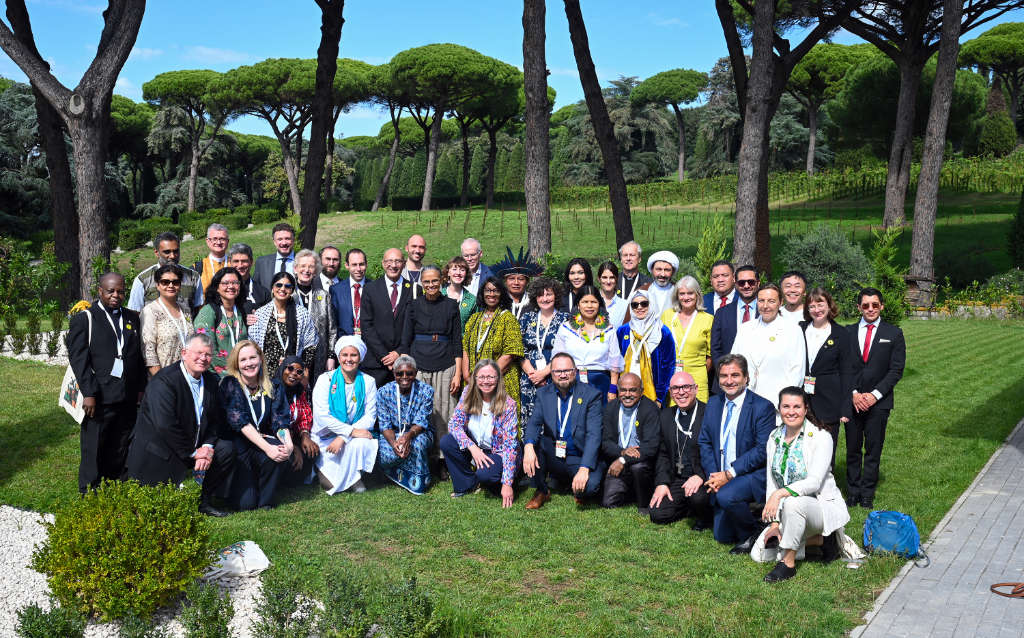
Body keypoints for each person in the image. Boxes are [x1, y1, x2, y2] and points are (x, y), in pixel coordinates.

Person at [123, 334, 234, 517]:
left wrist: (206, 447)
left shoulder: (212, 381)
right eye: (198, 353)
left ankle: (203, 501)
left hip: (194, 444)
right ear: (184, 353)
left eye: (207, 355)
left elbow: (216, 420)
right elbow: (165, 425)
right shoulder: (164, 381)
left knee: (226, 449)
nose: (203, 358)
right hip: (160, 449)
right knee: (157, 511)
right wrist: (193, 452)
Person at [66, 272, 146, 493]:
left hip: (126, 395)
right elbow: (79, 360)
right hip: (99, 396)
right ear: (100, 291)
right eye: (110, 291)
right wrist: (89, 393)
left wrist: (139, 388)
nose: (116, 295)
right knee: (95, 444)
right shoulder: (85, 319)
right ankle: (89, 489)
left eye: (120, 291)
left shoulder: (132, 318)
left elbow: (136, 356)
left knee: (121, 441)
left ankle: (115, 482)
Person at [759, 387, 848, 583]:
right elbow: (771, 480)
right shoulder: (774, 437)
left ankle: (788, 563)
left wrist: (780, 494)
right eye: (786, 406)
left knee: (793, 503)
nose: (791, 411)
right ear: (779, 409)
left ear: (806, 409)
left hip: (819, 508)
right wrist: (774, 524)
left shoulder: (821, 436)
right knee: (759, 554)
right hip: (786, 512)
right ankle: (822, 541)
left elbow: (814, 482)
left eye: (797, 406)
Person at [697, 354, 776, 552]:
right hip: (721, 474)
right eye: (724, 376)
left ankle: (752, 535)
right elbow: (705, 441)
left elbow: (762, 449)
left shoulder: (762, 407)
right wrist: (714, 475)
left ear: (746, 377)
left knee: (726, 497)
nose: (729, 381)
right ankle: (754, 515)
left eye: (735, 375)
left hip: (751, 474)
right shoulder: (714, 403)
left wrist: (730, 474)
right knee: (722, 535)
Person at [843, 287, 906, 509]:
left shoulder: (894, 334)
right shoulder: (847, 333)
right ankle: (852, 491)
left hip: (879, 402)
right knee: (852, 448)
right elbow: (844, 366)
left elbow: (896, 370)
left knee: (873, 448)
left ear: (882, 307)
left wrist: (874, 395)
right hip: (852, 401)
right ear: (859, 307)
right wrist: (853, 394)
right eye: (866, 305)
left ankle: (867, 492)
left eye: (875, 305)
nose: (870, 309)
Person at [522, 352, 605, 509]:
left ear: (575, 371)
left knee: (591, 487)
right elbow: (534, 424)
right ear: (551, 373)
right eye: (558, 371)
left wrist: (584, 468)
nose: (563, 375)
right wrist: (528, 447)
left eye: (567, 370)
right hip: (555, 454)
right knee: (534, 445)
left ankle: (577, 489)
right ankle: (542, 491)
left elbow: (594, 435)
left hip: (578, 456)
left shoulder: (592, 396)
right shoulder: (543, 394)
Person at [220, 340, 292, 511]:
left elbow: (279, 419)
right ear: (236, 364)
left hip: (261, 441)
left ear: (260, 358)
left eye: (253, 357)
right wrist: (268, 448)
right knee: (247, 504)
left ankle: (266, 500)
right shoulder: (230, 384)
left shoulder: (273, 385)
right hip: (239, 446)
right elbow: (240, 422)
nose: (249, 363)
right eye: (243, 359)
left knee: (279, 448)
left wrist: (288, 444)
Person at [400, 265, 462, 463]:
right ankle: (422, 456)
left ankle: (444, 458)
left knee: (445, 411)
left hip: (445, 363)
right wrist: (405, 370)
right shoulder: (414, 305)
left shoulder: (451, 305)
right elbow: (406, 339)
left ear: (441, 281)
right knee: (420, 412)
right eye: (426, 281)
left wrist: (458, 373)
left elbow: (457, 342)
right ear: (422, 283)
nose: (431, 284)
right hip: (419, 363)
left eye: (434, 280)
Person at [441, 359, 519, 507]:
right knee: (447, 442)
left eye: (491, 377)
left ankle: (502, 481)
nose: (486, 381)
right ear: (475, 379)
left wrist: (507, 484)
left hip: (498, 451)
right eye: (481, 377)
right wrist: (472, 447)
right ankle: (467, 484)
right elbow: (454, 424)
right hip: (476, 447)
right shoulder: (467, 394)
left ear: (498, 379)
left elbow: (510, 447)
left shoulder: (508, 405)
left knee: (485, 474)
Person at [311, 336, 379, 494]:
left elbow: (370, 416)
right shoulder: (325, 380)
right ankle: (334, 472)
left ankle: (356, 479)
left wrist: (344, 437)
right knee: (329, 485)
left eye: (353, 355)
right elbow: (322, 417)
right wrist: (351, 432)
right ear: (338, 357)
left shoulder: (368, 382)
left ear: (360, 357)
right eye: (345, 355)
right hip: (326, 438)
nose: (349, 359)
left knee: (362, 443)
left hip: (350, 438)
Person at [649, 371, 713, 529]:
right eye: (676, 388)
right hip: (677, 478)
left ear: (696, 388)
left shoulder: (709, 413)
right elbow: (662, 453)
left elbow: (715, 452)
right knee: (658, 513)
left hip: (701, 477)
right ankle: (688, 506)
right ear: (670, 392)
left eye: (686, 387)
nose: (681, 392)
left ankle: (703, 513)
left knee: (698, 498)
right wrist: (662, 483)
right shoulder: (665, 416)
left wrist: (701, 475)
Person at [731, 283, 806, 410]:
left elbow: (797, 371)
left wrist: (785, 403)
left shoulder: (792, 330)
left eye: (771, 301)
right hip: (746, 401)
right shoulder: (745, 329)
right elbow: (734, 363)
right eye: (761, 301)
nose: (765, 306)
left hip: (776, 403)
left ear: (780, 302)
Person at [799, 287, 852, 465]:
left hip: (829, 401)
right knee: (803, 450)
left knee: (826, 449)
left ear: (829, 306)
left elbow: (847, 372)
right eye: (811, 306)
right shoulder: (800, 329)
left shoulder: (841, 334)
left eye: (820, 304)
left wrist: (845, 407)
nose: (816, 309)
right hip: (802, 400)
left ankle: (826, 489)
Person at [462, 276, 525, 417]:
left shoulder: (507, 318)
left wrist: (487, 377)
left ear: (501, 294)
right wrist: (467, 375)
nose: (491, 294)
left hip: (500, 379)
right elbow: (465, 347)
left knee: (499, 423)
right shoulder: (474, 319)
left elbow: (511, 352)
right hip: (473, 380)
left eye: (495, 291)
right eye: (488, 290)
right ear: (482, 293)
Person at [600, 373, 660, 513]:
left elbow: (651, 447)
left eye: (633, 390)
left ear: (641, 391)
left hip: (641, 461)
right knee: (608, 502)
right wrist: (621, 453)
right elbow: (606, 442)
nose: (627, 394)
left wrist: (623, 459)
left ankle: (644, 503)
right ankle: (630, 492)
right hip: (619, 459)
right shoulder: (610, 408)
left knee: (638, 468)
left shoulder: (650, 409)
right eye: (623, 390)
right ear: (618, 391)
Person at [553, 285, 622, 404]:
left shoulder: (608, 329)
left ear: (599, 304)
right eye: (585, 302)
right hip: (571, 382)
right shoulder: (566, 328)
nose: (589, 306)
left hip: (600, 383)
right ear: (578, 305)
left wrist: (612, 389)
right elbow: (557, 359)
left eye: (593, 302)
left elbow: (615, 362)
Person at [376, 355, 435, 494]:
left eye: (409, 373)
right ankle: (391, 472)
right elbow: (384, 424)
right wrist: (393, 443)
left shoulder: (426, 391)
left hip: (418, 432)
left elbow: (421, 422)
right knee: (385, 454)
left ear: (415, 373)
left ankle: (415, 481)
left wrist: (408, 437)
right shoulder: (383, 392)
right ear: (394, 374)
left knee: (417, 444)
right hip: (392, 433)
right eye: (399, 373)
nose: (404, 377)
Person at [360, 248, 416, 386]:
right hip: (376, 362)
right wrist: (384, 356)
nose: (394, 265)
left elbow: (414, 326)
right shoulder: (370, 289)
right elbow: (366, 326)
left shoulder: (414, 289)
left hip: (403, 363)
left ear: (404, 264)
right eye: (389, 261)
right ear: (383, 264)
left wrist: (399, 352)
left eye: (398, 261)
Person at [248, 271, 318, 380]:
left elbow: (311, 345)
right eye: (279, 285)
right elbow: (253, 345)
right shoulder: (261, 314)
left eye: (287, 286)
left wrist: (300, 366)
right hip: (266, 374)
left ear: (292, 290)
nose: (282, 289)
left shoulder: (301, 314)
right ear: (272, 288)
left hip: (292, 374)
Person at [519, 277, 569, 424]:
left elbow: (567, 350)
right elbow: (519, 348)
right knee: (530, 419)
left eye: (549, 294)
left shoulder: (565, 319)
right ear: (535, 297)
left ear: (556, 296)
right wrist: (532, 374)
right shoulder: (526, 318)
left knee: (553, 419)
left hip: (555, 376)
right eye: (541, 295)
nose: (545, 298)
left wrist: (544, 373)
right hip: (529, 378)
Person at [617, 289, 675, 406]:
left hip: (653, 394)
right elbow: (615, 362)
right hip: (626, 393)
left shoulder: (662, 331)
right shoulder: (623, 331)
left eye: (644, 303)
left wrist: (659, 398)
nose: (639, 307)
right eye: (634, 305)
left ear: (651, 304)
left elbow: (668, 366)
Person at [662, 276, 714, 403]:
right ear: (677, 296)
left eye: (690, 293)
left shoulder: (707, 319)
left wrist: (698, 372)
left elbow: (710, 356)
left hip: (697, 378)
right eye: (682, 294)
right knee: (673, 415)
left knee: (698, 416)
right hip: (672, 377)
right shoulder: (667, 316)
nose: (686, 297)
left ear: (697, 295)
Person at [710, 264, 759, 393]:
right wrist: (725, 374)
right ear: (736, 284)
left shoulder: (766, 312)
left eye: (751, 282)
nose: (747, 286)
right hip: (728, 382)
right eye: (742, 282)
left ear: (758, 283)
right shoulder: (722, 313)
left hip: (759, 381)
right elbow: (716, 348)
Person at [141, 264, 195, 375]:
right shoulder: (150, 311)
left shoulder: (185, 310)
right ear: (157, 285)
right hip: (164, 377)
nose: (171, 285)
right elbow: (148, 351)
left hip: (188, 374)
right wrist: (161, 381)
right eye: (165, 282)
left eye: (175, 282)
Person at [193, 267, 248, 376]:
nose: (231, 286)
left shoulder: (241, 311)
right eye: (225, 283)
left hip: (242, 373)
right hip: (217, 377)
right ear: (217, 287)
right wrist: (232, 373)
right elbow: (206, 350)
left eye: (235, 283)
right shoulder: (208, 312)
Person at [127, 231, 201, 312]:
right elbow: (134, 312)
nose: (172, 256)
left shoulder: (193, 277)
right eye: (167, 252)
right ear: (156, 253)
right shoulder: (142, 280)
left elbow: (199, 310)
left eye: (176, 251)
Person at [293, 249, 337, 379]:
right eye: (303, 266)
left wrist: (331, 356)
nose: (306, 270)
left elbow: (332, 330)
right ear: (296, 269)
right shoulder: (289, 295)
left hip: (319, 357)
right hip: (295, 355)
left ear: (316, 271)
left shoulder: (323, 296)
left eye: (311, 266)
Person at [275, 355, 317, 485]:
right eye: (290, 368)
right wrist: (294, 447)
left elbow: (305, 415)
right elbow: (273, 424)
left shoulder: (299, 391)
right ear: (282, 369)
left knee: (312, 449)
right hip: (276, 437)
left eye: (299, 372)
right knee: (290, 457)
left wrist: (305, 435)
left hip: (294, 436)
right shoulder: (272, 390)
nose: (294, 374)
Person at [493, 246, 544, 320]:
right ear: (505, 281)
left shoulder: (535, 303)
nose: (516, 283)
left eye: (520, 279)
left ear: (527, 282)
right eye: (511, 278)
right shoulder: (497, 302)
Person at [329, 248, 369, 337]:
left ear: (366, 264)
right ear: (347, 265)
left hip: (369, 342)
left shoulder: (374, 288)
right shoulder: (336, 290)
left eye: (361, 264)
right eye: (354, 265)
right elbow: (333, 322)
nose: (358, 269)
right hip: (344, 342)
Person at [228, 243, 270, 324]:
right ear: (230, 262)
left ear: (251, 262)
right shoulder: (222, 290)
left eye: (244, 261)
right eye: (236, 261)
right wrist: (242, 320)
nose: (240, 265)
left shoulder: (263, 292)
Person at [252, 222, 296, 288]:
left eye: (287, 239)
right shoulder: (262, 263)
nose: (284, 243)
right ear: (274, 242)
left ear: (293, 240)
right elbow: (255, 288)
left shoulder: (303, 261)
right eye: (280, 239)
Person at [193, 223, 229, 298]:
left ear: (227, 242)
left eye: (222, 239)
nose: (218, 242)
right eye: (215, 239)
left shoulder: (235, 265)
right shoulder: (197, 268)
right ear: (208, 241)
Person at [441, 255, 476, 327]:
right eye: (454, 269)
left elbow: (475, 327)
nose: (458, 273)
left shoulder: (472, 300)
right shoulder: (439, 295)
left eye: (462, 270)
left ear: (466, 274)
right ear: (448, 272)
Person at [642, 250, 678, 317]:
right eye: (659, 269)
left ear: (672, 272)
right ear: (652, 270)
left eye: (667, 270)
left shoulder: (680, 291)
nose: (662, 274)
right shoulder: (643, 291)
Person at [596, 260, 627, 327]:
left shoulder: (625, 306)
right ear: (599, 279)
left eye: (612, 277)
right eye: (604, 277)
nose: (608, 281)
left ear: (617, 279)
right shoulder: (590, 302)